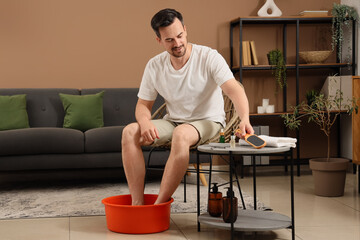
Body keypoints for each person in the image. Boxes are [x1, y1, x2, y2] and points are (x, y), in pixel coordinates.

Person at [122, 8, 254, 205]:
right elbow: (143, 104)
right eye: (169, 40)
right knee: (129, 132)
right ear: (159, 40)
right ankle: (137, 204)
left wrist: (245, 119)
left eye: (180, 36)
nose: (177, 43)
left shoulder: (209, 57)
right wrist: (144, 121)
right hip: (174, 122)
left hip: (210, 122)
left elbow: (234, 89)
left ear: (185, 29)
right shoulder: (154, 65)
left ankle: (158, 205)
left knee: (181, 134)